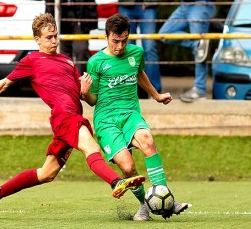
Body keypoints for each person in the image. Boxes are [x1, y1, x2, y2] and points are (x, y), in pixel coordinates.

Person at [0, 13, 145, 219]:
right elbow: (4, 83)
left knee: (46, 173)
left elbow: (83, 95)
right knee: (91, 147)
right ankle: (115, 182)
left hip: (70, 119)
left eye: (56, 36)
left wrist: (85, 91)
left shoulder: (67, 61)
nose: (54, 41)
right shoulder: (32, 60)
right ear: (37, 39)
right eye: (49, 37)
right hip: (64, 118)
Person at [82, 13, 191, 221]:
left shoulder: (137, 53)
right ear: (106, 37)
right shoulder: (96, 62)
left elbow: (139, 74)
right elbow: (92, 100)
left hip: (131, 113)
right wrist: (84, 92)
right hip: (106, 120)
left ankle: (167, 200)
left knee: (148, 142)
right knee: (128, 167)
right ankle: (143, 205)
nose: (120, 46)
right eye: (115, 41)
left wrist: (156, 95)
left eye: (124, 41)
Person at [159, 0, 216, 103]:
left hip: (200, 3)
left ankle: (200, 90)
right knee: (164, 34)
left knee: (200, 50)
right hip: (185, 4)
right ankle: (196, 43)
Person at [118, 0, 161, 97]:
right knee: (125, 48)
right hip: (126, 3)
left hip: (148, 4)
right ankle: (125, 89)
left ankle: (155, 92)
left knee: (150, 48)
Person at [45, 0, 97, 75]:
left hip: (80, 20)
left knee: (81, 50)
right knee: (63, 53)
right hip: (61, 20)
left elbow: (90, 4)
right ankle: (67, 80)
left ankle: (79, 80)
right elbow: (50, 4)